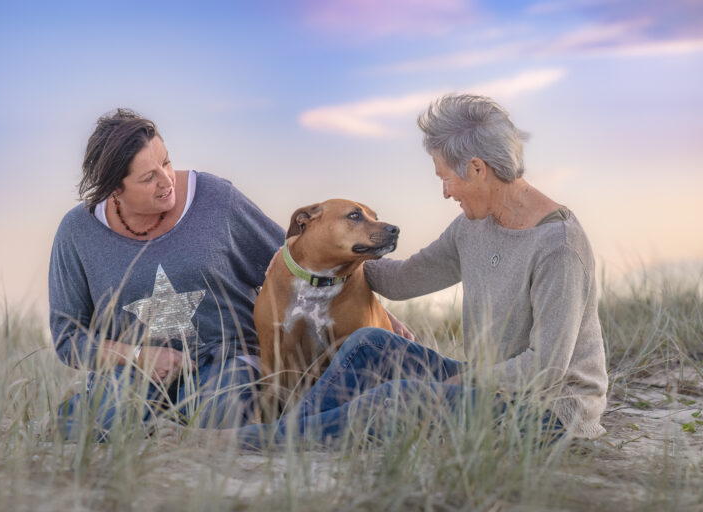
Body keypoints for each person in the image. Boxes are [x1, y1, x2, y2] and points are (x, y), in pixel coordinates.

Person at [226, 94, 608, 448]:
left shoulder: (559, 247)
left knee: (399, 397)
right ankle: (285, 435)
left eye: (446, 177)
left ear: (477, 169)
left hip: (549, 412)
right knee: (367, 342)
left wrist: (470, 380)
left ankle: (254, 442)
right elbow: (403, 278)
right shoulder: (473, 227)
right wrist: (310, 262)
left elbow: (546, 368)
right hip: (486, 385)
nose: (445, 192)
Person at [50, 109, 284, 438]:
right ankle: (98, 412)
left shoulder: (217, 200)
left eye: (166, 161)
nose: (166, 180)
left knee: (220, 414)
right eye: (148, 178)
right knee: (99, 427)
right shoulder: (77, 232)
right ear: (114, 190)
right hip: (132, 370)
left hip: (226, 361)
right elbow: (68, 338)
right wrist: (138, 356)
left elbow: (295, 261)